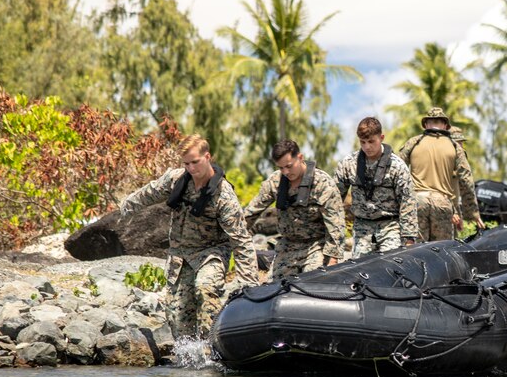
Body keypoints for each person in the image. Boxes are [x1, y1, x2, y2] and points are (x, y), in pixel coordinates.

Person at [119, 134, 258, 339]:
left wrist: (250, 283)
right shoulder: (177, 179)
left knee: (205, 289)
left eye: (195, 162)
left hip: (211, 252)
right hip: (180, 254)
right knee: (176, 314)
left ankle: (212, 348)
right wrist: (127, 205)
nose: (191, 168)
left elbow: (241, 239)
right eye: (186, 164)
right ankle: (186, 359)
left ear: (207, 156)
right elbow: (151, 192)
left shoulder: (224, 195)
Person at [243, 139, 346, 279]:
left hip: (316, 245)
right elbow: (252, 212)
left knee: (312, 284)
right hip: (288, 245)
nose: (285, 172)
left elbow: (336, 225)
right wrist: (235, 235)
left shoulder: (323, 184)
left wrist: (332, 260)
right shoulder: (275, 182)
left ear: (300, 157)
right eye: (281, 168)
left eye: (289, 166)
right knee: (273, 289)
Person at [334, 117, 419, 257]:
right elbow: (335, 198)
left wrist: (409, 239)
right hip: (362, 227)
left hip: (390, 226)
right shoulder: (348, 164)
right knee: (360, 270)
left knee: (391, 267)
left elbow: (407, 202)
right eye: (363, 142)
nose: (367, 147)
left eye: (371, 141)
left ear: (381, 137)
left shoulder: (397, 166)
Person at [399, 107, 483, 241]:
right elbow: (466, 180)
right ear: (445, 125)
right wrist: (473, 214)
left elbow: (397, 169)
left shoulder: (413, 142)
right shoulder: (455, 146)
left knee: (415, 252)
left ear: (426, 124)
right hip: (442, 203)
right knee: (441, 253)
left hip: (417, 202)